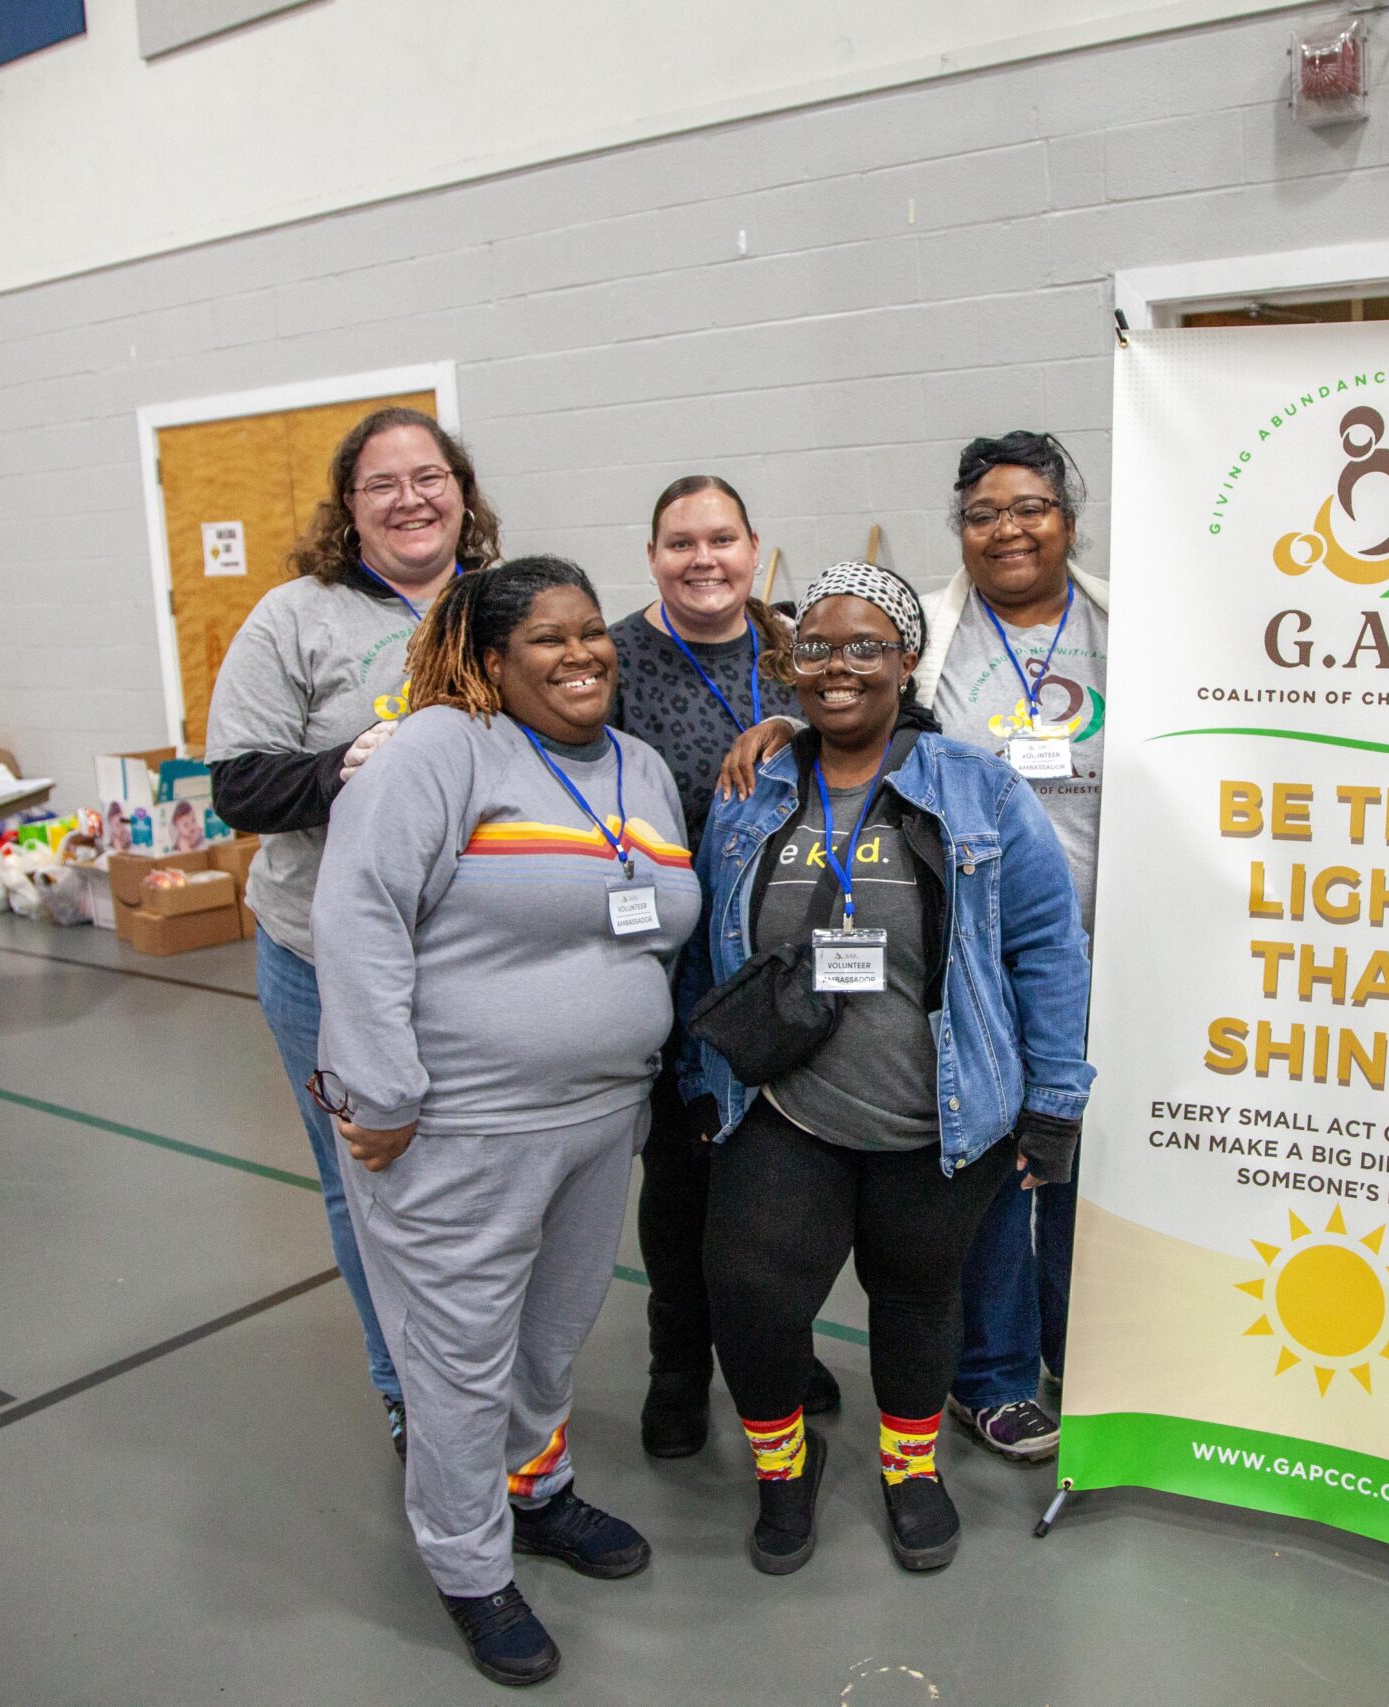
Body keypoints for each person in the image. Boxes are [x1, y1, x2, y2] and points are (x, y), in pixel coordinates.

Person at [313, 558, 701, 1688]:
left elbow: (652, 923)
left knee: (550, 1336)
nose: (583, 654)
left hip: (598, 1120)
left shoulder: (636, 765)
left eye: (592, 633)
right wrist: (379, 1091)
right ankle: (470, 1565)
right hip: (461, 1129)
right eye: (548, 639)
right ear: (490, 661)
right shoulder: (440, 751)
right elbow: (359, 913)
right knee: (456, 1362)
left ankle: (536, 1493)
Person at [688, 562, 1092, 1576]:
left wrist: (1052, 1102)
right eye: (815, 647)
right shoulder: (753, 785)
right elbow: (709, 943)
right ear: (790, 665)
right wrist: (705, 1075)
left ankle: (911, 1470)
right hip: (786, 1107)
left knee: (916, 1300)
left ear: (905, 661)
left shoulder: (976, 785)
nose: (837, 668)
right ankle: (786, 1466)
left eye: (865, 646)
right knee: (751, 1293)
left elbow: (1047, 943)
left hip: (940, 1114)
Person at [206, 405, 500, 1460]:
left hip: (475, 957)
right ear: (349, 508)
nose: (410, 498)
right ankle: (404, 1388)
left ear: (462, 492)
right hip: (324, 961)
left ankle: (484, 1373)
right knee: (366, 1180)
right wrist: (344, 769)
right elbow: (238, 785)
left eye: (430, 476)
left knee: (477, 1179)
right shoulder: (296, 617)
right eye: (383, 483)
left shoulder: (502, 605)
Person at [605, 474, 837, 1460]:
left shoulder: (793, 650)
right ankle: (677, 1365)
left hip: (788, 955)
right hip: (673, 968)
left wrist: (796, 725)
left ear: (754, 547)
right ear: (653, 555)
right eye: (679, 542)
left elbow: (868, 734)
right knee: (684, 1179)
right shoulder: (613, 659)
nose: (703, 560)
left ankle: (776, 1343)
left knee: (785, 1175)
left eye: (722, 540)